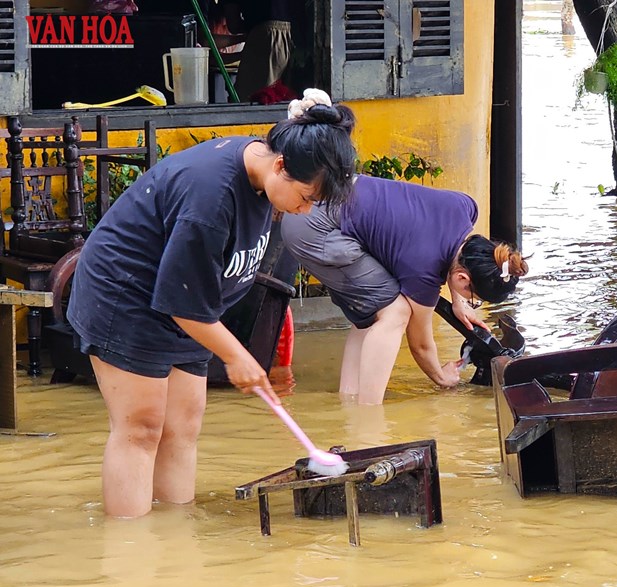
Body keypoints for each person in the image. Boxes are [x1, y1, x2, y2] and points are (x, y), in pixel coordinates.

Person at [67, 93, 357, 518]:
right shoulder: (212, 196)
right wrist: (237, 356)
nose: (305, 209)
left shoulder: (262, 171)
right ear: (281, 166)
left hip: (188, 300)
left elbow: (192, 297)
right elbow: (184, 304)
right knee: (142, 428)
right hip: (126, 294)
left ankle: (176, 534)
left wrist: (233, 350)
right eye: (306, 197)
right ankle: (131, 552)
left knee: (184, 425)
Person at [282, 176, 528, 406]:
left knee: (373, 310)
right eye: (472, 298)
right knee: (396, 312)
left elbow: (451, 253)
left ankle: (350, 400)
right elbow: (420, 345)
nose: (468, 301)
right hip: (311, 226)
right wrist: (442, 377)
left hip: (318, 191)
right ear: (462, 277)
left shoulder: (466, 207)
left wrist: (457, 300)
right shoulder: (423, 268)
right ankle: (368, 415)